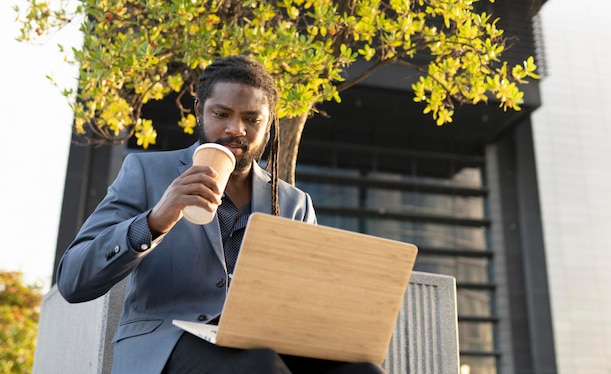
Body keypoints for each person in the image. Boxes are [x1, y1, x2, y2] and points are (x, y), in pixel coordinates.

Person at [56, 55, 385, 374]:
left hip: (258, 344)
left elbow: (305, 302)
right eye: (222, 114)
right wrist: (154, 221)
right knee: (259, 366)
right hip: (167, 345)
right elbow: (73, 279)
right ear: (200, 111)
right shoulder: (147, 172)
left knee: (366, 370)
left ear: (269, 122)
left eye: (252, 119)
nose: (236, 129)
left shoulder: (294, 203)